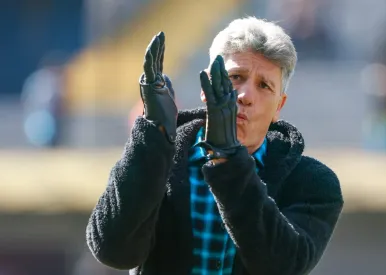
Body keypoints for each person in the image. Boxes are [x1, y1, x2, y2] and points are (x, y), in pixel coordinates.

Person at [86, 17, 344, 275]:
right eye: (235, 77)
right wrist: (153, 136)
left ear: (279, 105)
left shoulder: (312, 183)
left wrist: (228, 159)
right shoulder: (163, 157)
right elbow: (112, 249)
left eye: (264, 85)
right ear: (205, 85)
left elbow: (282, 266)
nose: (245, 96)